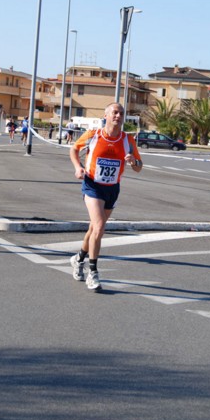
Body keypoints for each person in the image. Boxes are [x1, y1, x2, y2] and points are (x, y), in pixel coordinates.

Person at [69, 102, 143, 291]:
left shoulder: (128, 140)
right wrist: (78, 167)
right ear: (106, 115)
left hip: (112, 188)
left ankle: (78, 258)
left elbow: (139, 167)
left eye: (121, 113)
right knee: (100, 227)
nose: (118, 116)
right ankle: (93, 272)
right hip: (93, 185)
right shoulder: (93, 135)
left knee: (94, 228)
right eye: (115, 112)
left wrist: (133, 161)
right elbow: (74, 149)